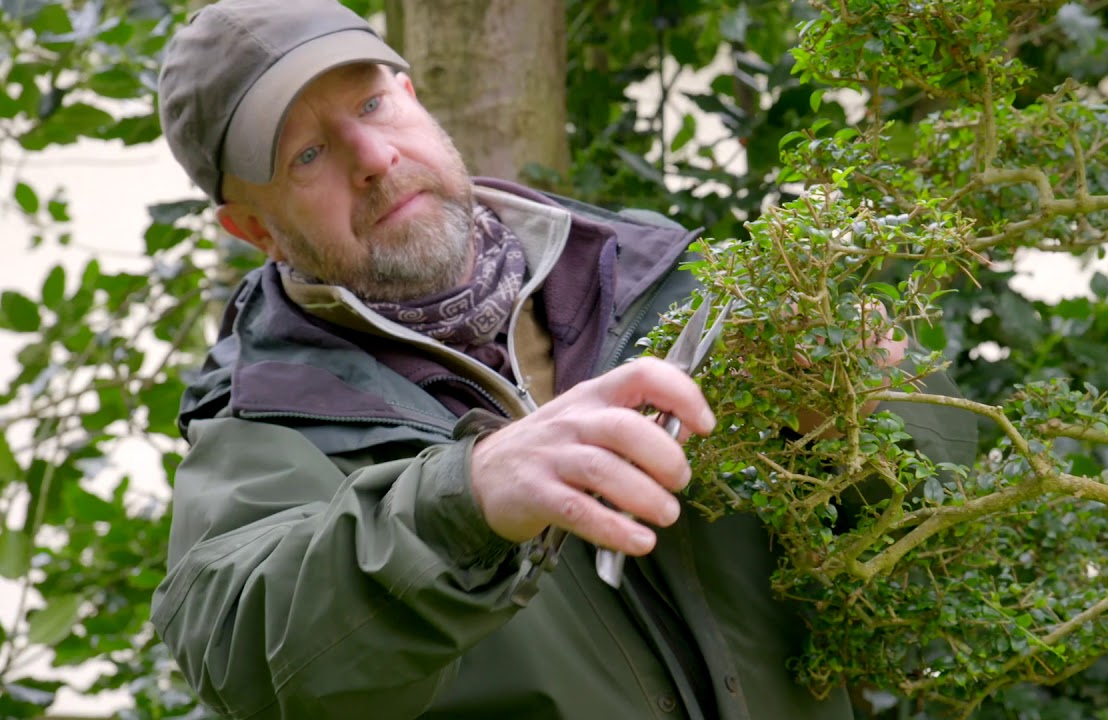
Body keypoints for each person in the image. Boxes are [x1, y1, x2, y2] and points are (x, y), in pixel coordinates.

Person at [151, 1, 978, 718]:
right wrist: (464, 500)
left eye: (370, 103)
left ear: (411, 97)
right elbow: (246, 660)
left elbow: (950, 513)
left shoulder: (669, 276)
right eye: (307, 156)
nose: (372, 158)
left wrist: (860, 413)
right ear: (253, 230)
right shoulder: (267, 423)